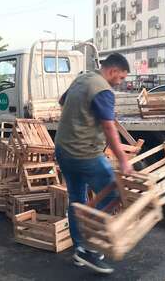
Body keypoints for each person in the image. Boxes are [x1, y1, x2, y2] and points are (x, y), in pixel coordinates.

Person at [54, 53, 133, 274]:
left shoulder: (83, 78)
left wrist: (79, 121)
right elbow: (110, 129)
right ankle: (90, 245)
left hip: (64, 149)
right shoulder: (104, 90)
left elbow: (62, 101)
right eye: (121, 78)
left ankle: (80, 248)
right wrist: (124, 161)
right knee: (113, 194)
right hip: (84, 153)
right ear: (113, 71)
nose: (121, 82)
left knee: (77, 198)